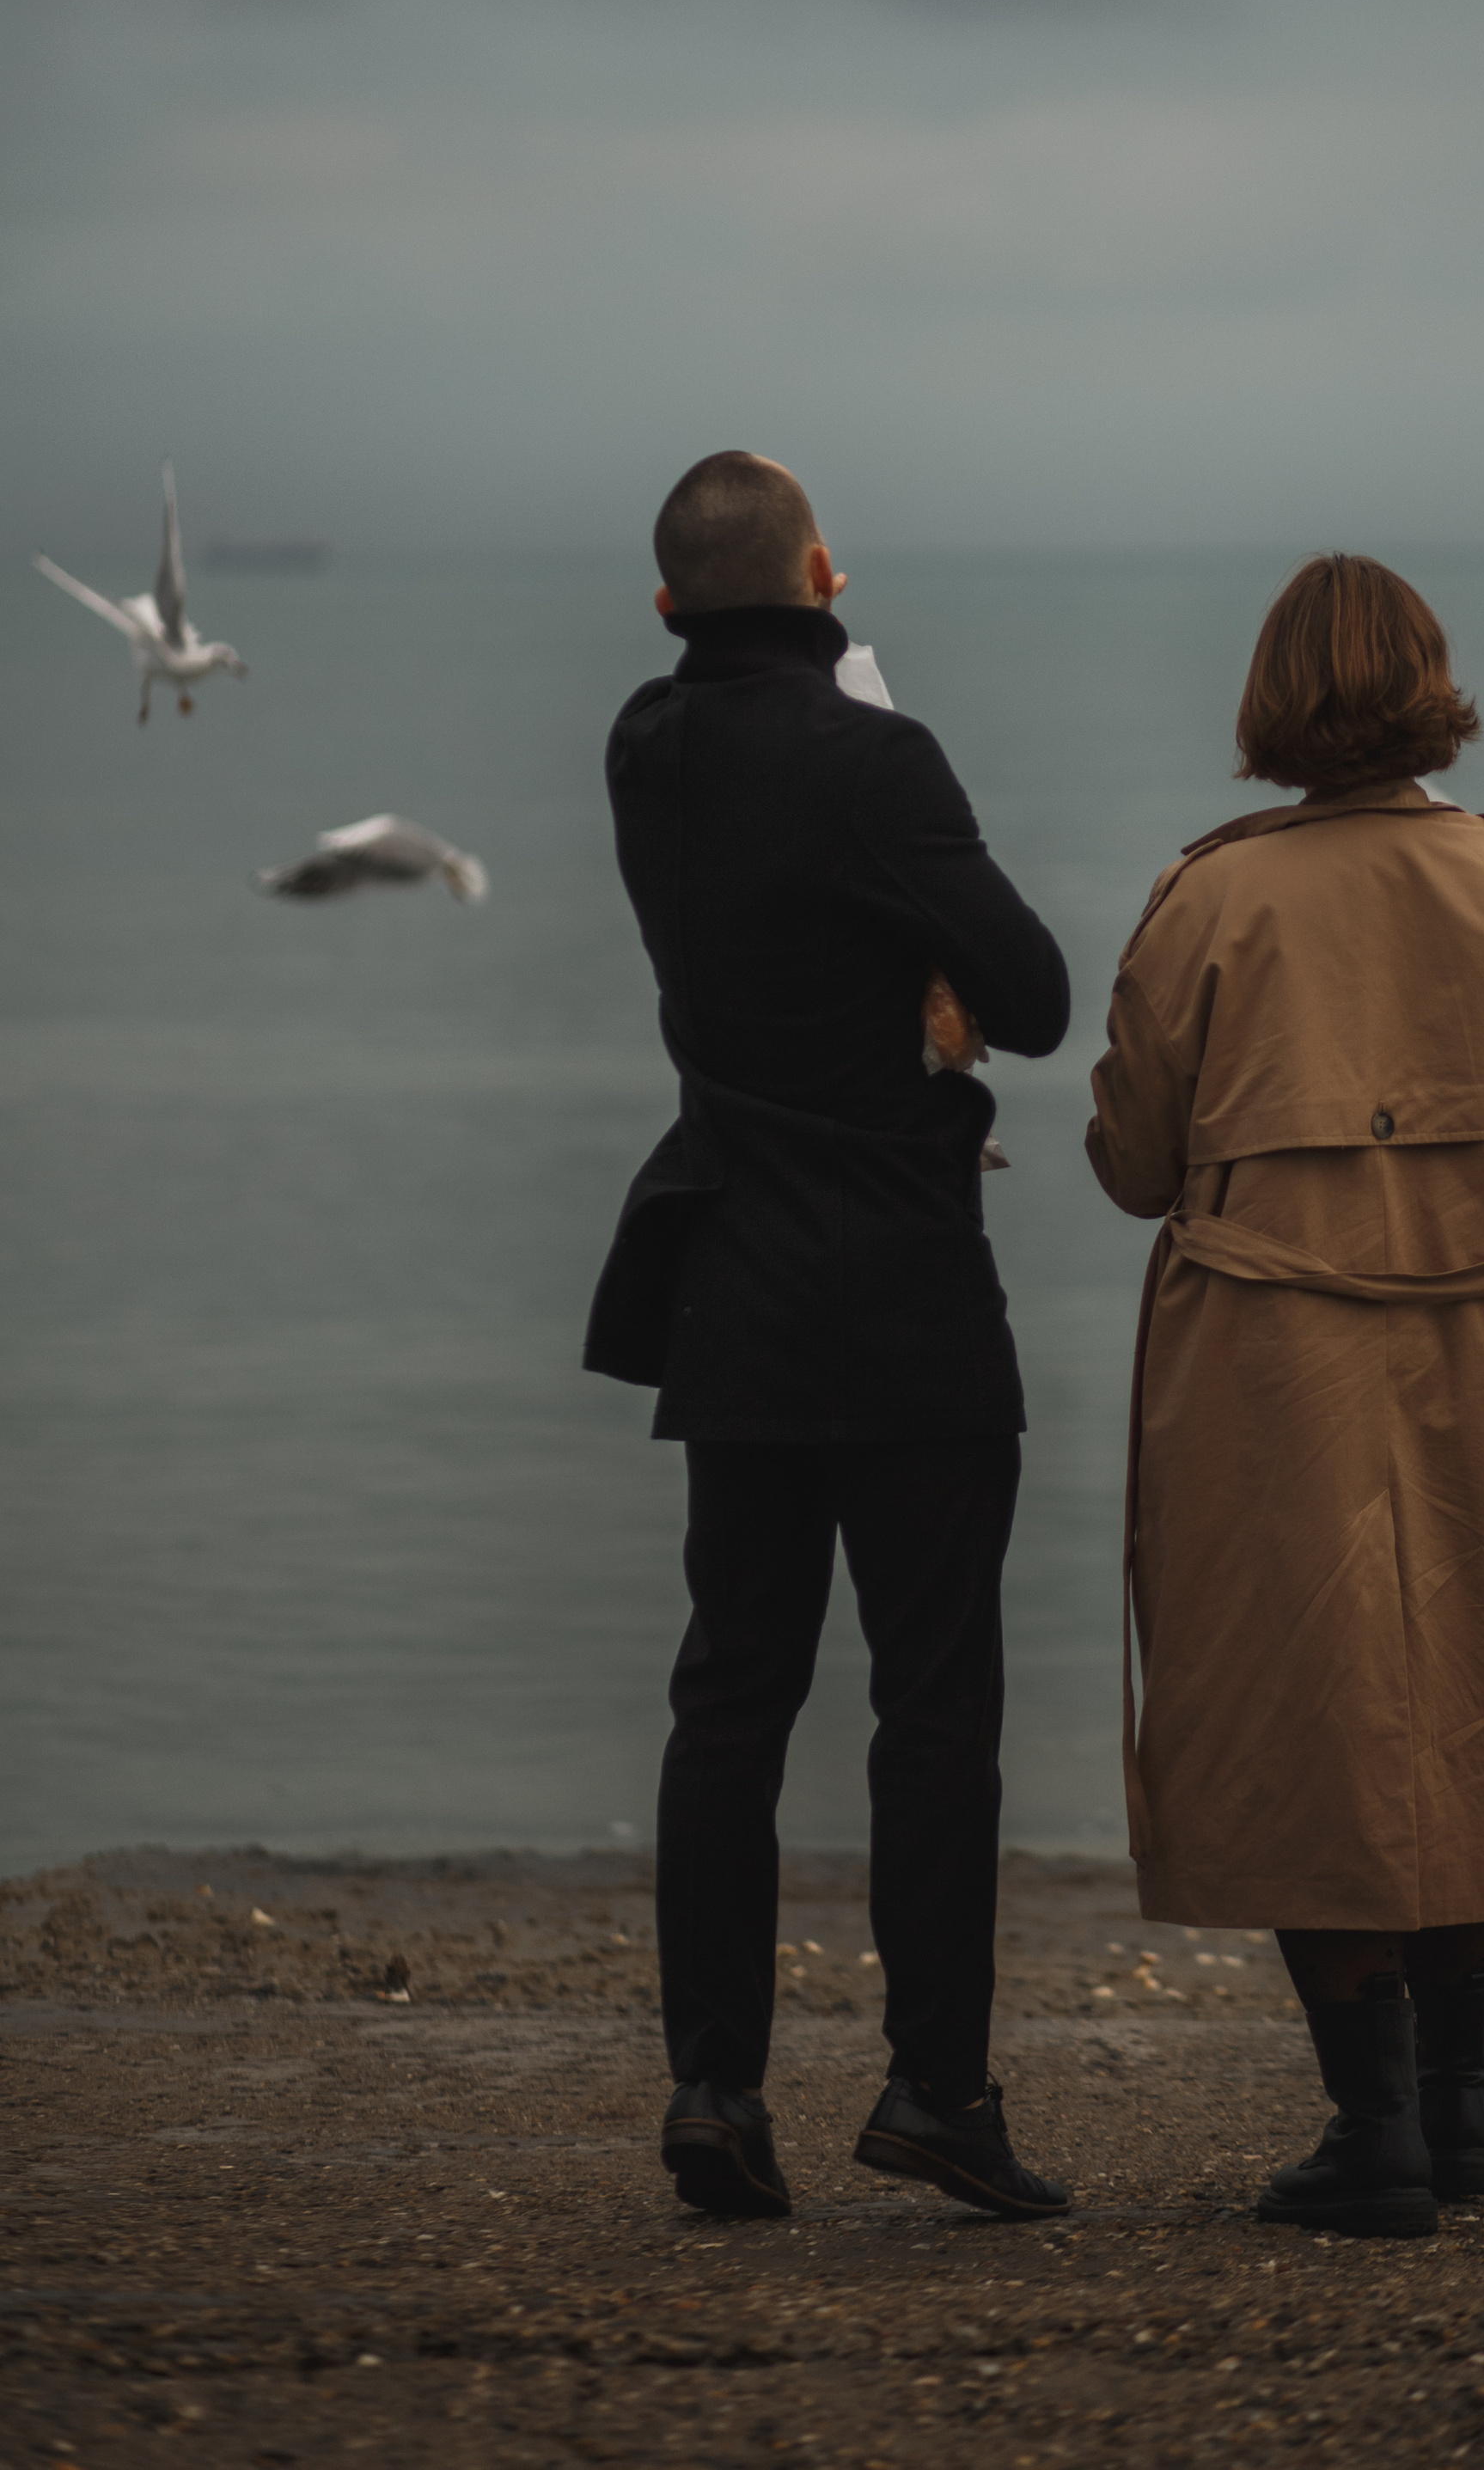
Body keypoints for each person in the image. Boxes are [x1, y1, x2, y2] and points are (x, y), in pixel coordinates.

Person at [1085, 554, 1484, 2240]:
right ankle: (1458, 2117)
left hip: (1269, 1374)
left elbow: (1131, 1168)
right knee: (1480, 1703)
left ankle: (1375, 2130)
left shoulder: (1203, 902)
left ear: (1268, 706)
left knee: (1304, 1718)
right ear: (1433, 692)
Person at [585, 449, 1073, 2223]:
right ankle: (937, 2091)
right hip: (905, 1297)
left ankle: (714, 2085)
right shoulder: (879, 760)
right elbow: (1028, 997)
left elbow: (774, 923)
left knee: (729, 1697)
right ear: (827, 577)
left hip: (734, 1288)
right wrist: (927, 983)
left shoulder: (645, 748)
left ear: (665, 609)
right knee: (931, 1710)